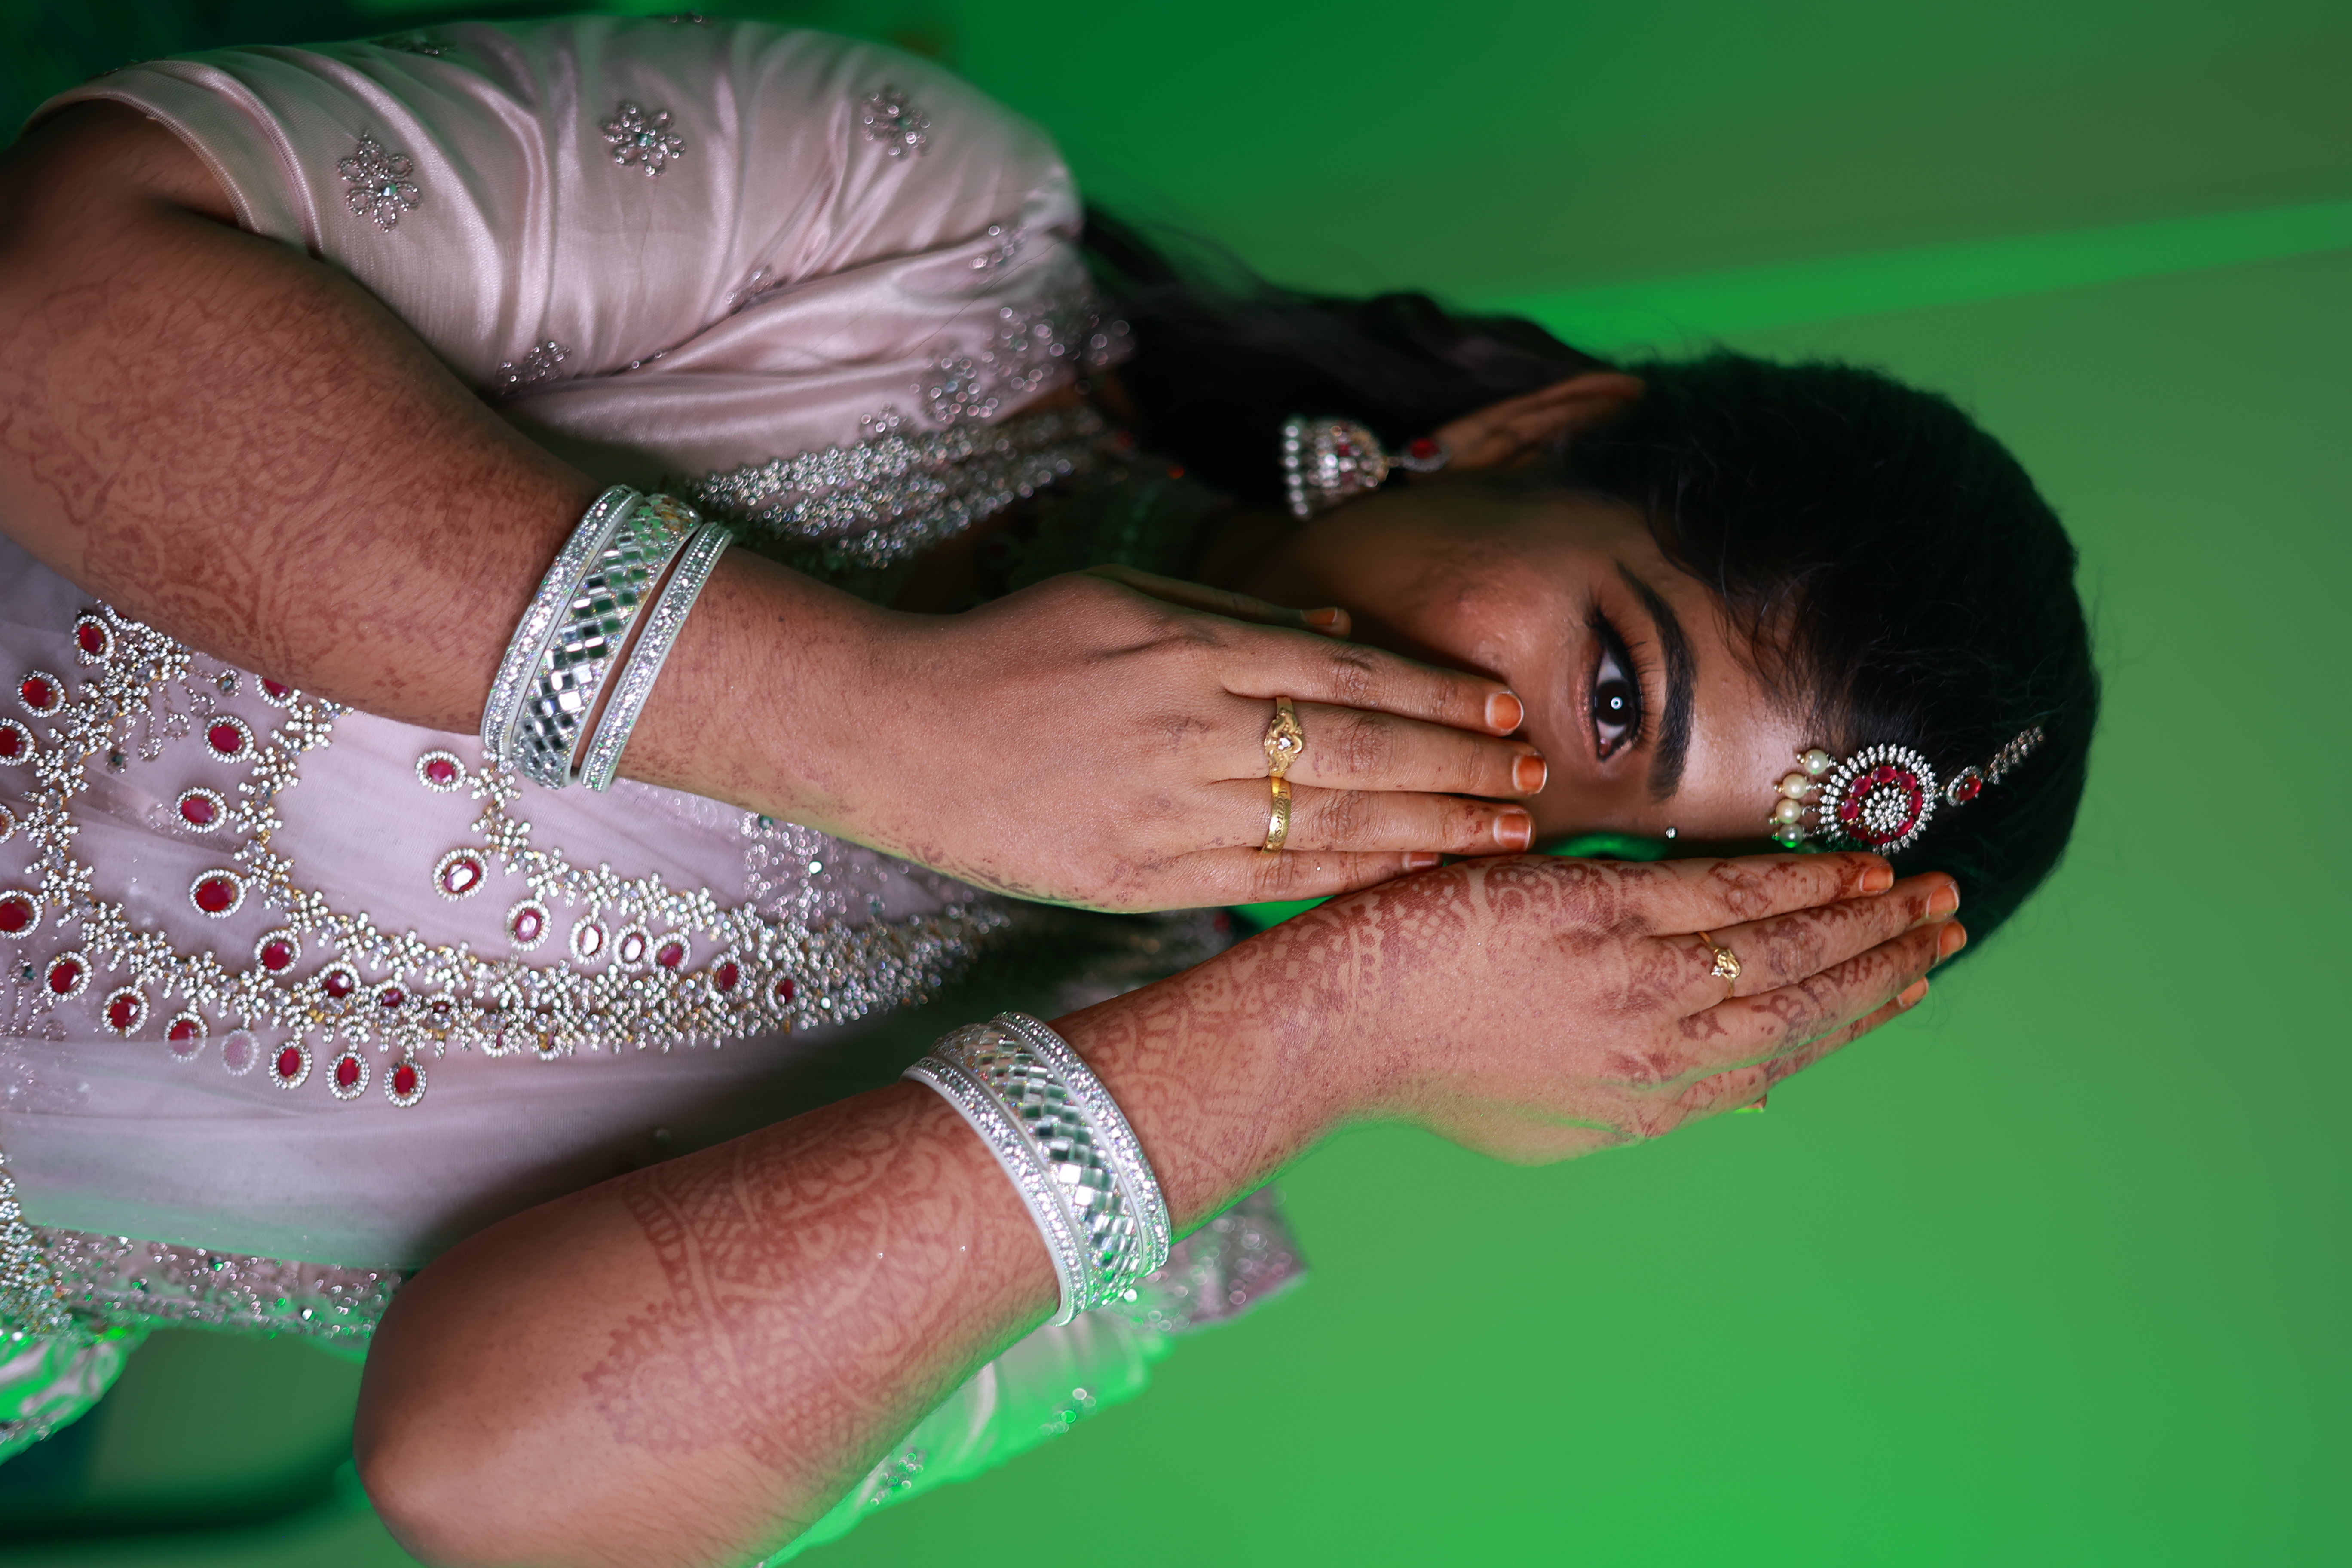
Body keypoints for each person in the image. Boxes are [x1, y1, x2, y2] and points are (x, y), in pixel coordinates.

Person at [0, 15, 2093, 1565]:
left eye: (1625, 898)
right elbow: (57, 309)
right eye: (1616, 687)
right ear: (1529, 432)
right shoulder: (900, 238)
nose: (1500, 843)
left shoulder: (1141, 1205)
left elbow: (489, 1473)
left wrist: (1317, 1031)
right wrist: (885, 722)